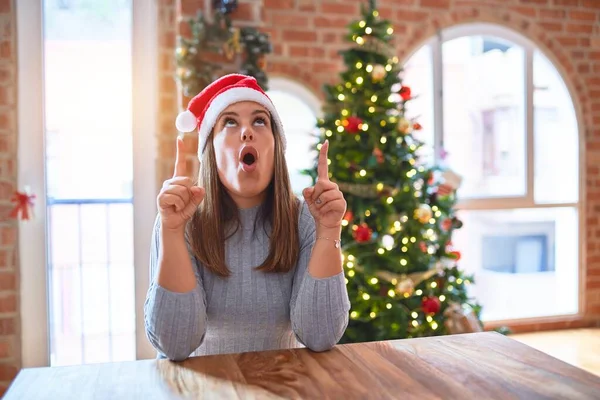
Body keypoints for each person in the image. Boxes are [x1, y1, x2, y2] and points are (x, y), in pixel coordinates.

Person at [144, 74, 351, 361]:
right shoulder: (179, 220)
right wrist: (172, 232)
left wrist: (329, 229)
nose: (246, 132)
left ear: (276, 147)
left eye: (259, 121)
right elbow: (174, 343)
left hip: (281, 385)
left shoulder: (305, 217)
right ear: (210, 150)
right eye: (229, 121)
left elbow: (320, 336)